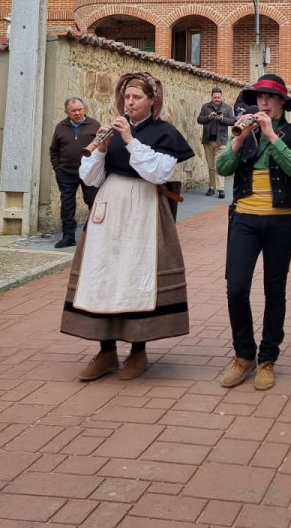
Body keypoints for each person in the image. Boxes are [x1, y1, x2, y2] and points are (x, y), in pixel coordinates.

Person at [62, 72, 195, 382]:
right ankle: (106, 352)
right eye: (127, 97)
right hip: (109, 207)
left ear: (151, 101)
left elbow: (158, 173)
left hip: (144, 209)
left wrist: (130, 141)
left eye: (136, 97)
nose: (129, 102)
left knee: (137, 275)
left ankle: (138, 352)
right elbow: (90, 178)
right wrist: (103, 149)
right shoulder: (106, 131)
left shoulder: (164, 132)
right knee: (103, 274)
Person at [215, 73, 291, 391]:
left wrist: (272, 135)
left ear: (282, 103)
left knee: (274, 291)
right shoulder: (246, 129)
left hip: (280, 223)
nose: (263, 102)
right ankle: (244, 355)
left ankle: (267, 358)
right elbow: (222, 167)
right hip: (244, 219)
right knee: (236, 289)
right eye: (259, 97)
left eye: (270, 97)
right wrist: (240, 139)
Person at [49, 97, 101, 249]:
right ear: (67, 112)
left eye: (80, 109)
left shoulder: (94, 125)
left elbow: (101, 147)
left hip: (89, 172)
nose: (78, 113)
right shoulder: (61, 127)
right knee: (67, 205)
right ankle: (68, 237)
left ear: (84, 109)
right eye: (74, 111)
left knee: (93, 202)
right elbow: (54, 150)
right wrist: (57, 168)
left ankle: (95, 235)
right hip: (66, 173)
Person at [196, 87, 235, 197]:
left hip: (221, 141)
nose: (217, 99)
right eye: (215, 97)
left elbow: (232, 121)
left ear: (221, 97)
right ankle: (211, 187)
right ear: (211, 97)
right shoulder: (206, 107)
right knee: (211, 166)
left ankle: (221, 189)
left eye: (218, 97)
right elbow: (199, 119)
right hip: (208, 141)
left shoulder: (227, 108)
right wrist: (209, 117)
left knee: (218, 166)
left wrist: (221, 119)